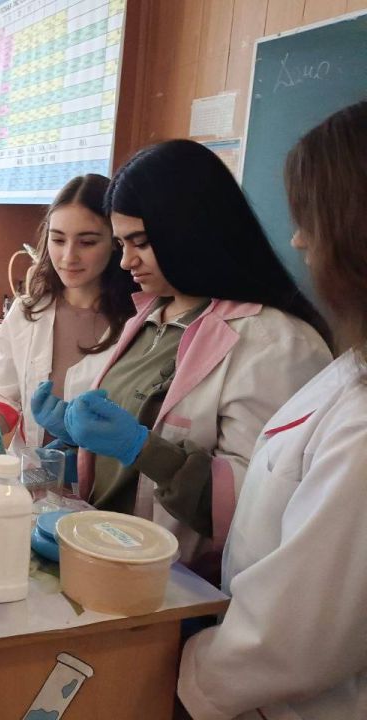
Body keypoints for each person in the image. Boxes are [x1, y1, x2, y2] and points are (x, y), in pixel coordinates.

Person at [59, 139, 332, 579]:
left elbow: (263, 504)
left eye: (141, 242)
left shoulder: (275, 342)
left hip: (183, 583)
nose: (125, 261)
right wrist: (70, 435)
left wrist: (145, 451)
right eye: (121, 243)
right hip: (105, 552)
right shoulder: (152, 314)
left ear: (191, 230)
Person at [177, 101, 367, 720]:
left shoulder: (344, 406)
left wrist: (184, 666)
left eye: (312, 218)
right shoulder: (351, 371)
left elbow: (295, 638)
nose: (299, 239)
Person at [0, 173, 136, 457]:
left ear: (116, 243)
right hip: (26, 471)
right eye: (58, 239)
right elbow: (6, 393)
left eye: (87, 242)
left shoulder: (138, 323)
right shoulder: (28, 310)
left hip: (99, 479)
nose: (68, 257)